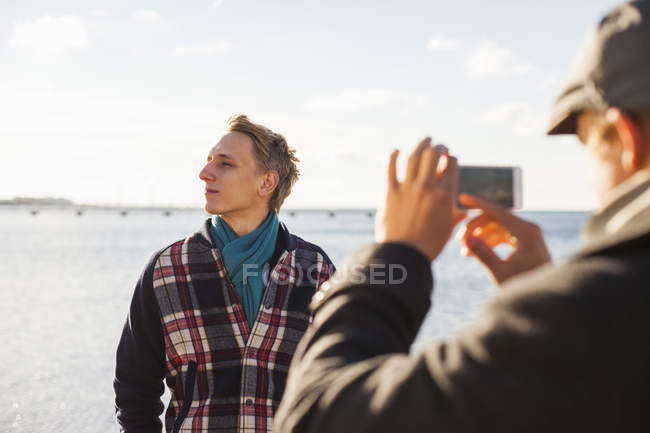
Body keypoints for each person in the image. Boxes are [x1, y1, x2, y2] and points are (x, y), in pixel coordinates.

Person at [274, 1, 650, 432]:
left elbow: (316, 417)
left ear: (626, 138)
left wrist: (395, 255)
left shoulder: (589, 320)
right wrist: (542, 292)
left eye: (588, 147)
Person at [114, 114, 334, 433]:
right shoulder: (165, 270)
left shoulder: (316, 272)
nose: (205, 174)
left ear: (266, 182)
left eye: (225, 164)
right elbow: (135, 392)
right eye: (209, 161)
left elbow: (338, 385)